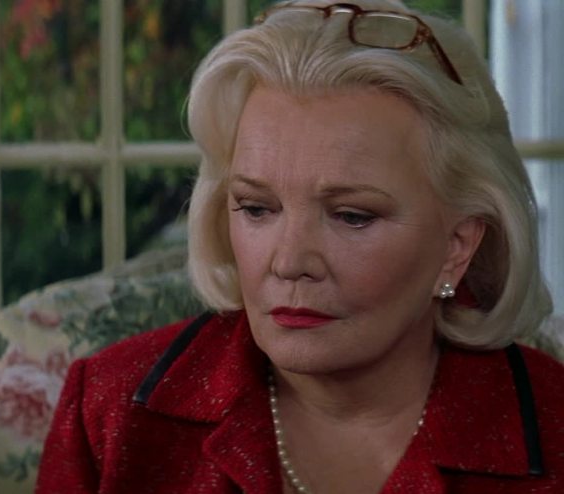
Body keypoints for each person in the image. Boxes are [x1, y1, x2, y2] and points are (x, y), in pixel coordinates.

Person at [36, 1, 564, 492]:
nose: (289, 263)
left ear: (457, 246)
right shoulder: (110, 413)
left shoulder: (554, 425)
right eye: (256, 208)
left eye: (352, 216)